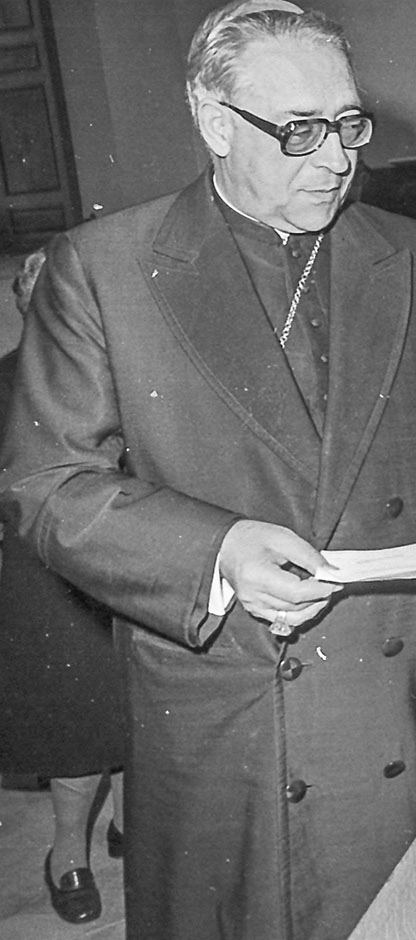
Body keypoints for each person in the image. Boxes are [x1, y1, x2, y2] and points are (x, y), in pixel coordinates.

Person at [0, 3, 416, 939]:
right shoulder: (106, 268)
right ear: (213, 121)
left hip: (406, 692)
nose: (336, 158)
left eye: (349, 125)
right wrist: (217, 550)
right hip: (229, 707)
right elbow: (49, 486)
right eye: (300, 131)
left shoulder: (415, 256)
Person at [0, 247, 126, 925]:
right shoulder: (4, 385)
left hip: (133, 570)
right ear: (25, 306)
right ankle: (67, 854)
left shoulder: (125, 377)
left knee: (149, 715)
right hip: (46, 584)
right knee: (79, 735)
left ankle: (131, 828)